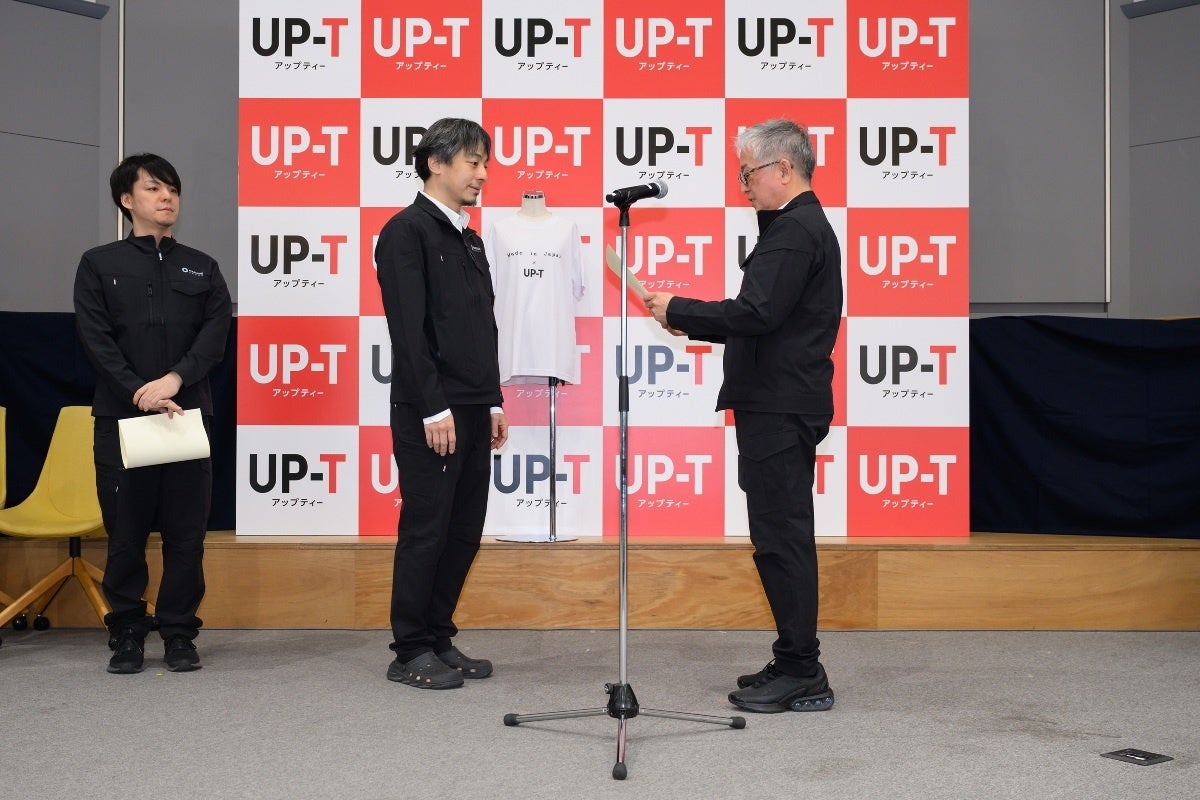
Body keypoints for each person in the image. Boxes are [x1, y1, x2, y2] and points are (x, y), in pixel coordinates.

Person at [644, 119, 842, 713]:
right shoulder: (793, 227)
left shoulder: (795, 231)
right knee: (777, 536)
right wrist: (687, 317)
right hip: (777, 403)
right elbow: (764, 317)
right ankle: (793, 657)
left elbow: (756, 313)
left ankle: (803, 670)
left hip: (780, 406)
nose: (743, 186)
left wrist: (679, 308)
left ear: (784, 168)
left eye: (747, 173)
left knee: (782, 538)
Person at [73, 153, 232, 674]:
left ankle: (180, 632)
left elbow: (214, 335)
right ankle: (126, 632)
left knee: (187, 536)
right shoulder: (99, 263)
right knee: (126, 535)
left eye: (173, 190)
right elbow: (95, 337)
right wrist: (138, 390)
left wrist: (174, 381)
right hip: (123, 419)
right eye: (153, 189)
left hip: (184, 416)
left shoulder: (202, 266)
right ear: (127, 200)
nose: (167, 198)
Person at [375, 118, 509, 689]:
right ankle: (409, 649)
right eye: (472, 162)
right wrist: (433, 408)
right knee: (427, 527)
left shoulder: (468, 236)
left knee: (463, 528)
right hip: (432, 410)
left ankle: (437, 636)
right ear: (435, 162)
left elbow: (481, 327)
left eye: (485, 164)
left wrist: (493, 399)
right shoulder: (406, 232)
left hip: (475, 406)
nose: (482, 174)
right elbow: (408, 331)